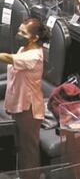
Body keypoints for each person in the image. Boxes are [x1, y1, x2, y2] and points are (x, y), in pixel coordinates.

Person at [2, 18, 44, 174]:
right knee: (21, 148)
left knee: (29, 152)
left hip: (29, 110)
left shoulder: (34, 56)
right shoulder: (24, 48)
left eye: (23, 33)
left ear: (35, 37)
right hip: (18, 106)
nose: (19, 34)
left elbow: (7, 58)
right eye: (19, 30)